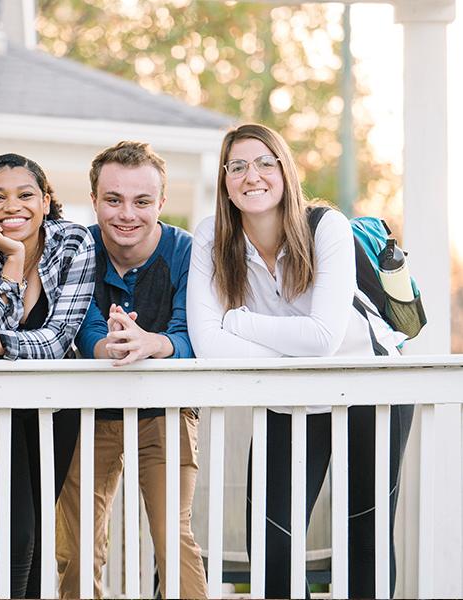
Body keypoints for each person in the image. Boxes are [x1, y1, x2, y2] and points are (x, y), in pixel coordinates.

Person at [187, 123, 412, 598]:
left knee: (364, 542)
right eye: (239, 165)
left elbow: (324, 339)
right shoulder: (210, 236)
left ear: (285, 172)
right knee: (270, 549)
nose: (253, 175)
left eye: (266, 162)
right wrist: (290, 346)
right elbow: (207, 343)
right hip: (285, 397)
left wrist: (240, 322)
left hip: (368, 388)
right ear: (225, 181)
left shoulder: (325, 226)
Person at [55, 141, 208, 599]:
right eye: (113, 199)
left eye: (142, 201)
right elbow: (80, 326)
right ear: (95, 199)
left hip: (165, 412)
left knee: (172, 537)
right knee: (78, 548)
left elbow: (192, 334)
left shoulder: (187, 250)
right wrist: (110, 345)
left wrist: (151, 343)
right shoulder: (77, 246)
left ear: (161, 203)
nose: (127, 214)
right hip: (90, 413)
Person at [0, 153, 95, 598]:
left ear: (46, 201)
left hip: (53, 408)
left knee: (39, 533)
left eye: (26, 195)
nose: (13, 206)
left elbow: (59, 337)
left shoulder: (74, 243)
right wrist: (14, 260)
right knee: (16, 532)